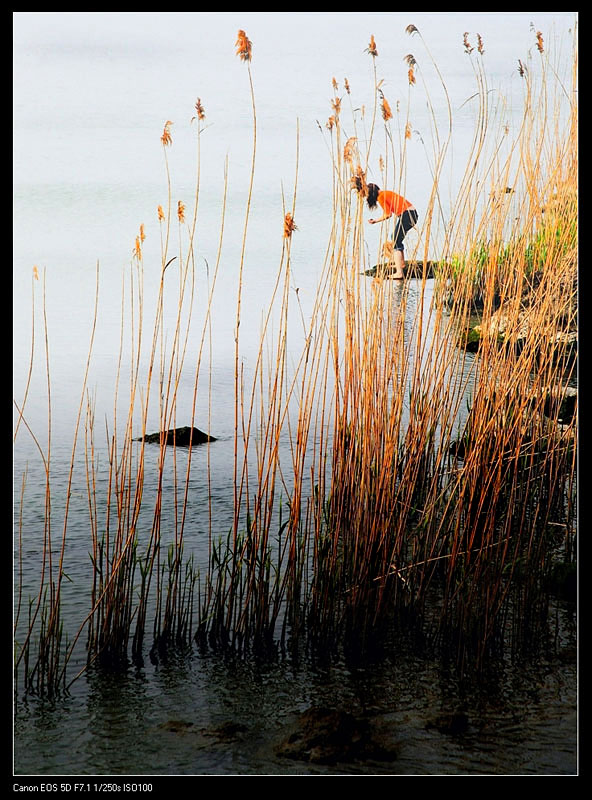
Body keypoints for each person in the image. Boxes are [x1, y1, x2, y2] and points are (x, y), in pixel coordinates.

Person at [367, 183, 418, 279]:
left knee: (395, 239)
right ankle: (401, 263)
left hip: (408, 214)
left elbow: (388, 214)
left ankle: (399, 273)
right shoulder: (385, 193)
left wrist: (375, 221)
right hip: (412, 214)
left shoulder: (381, 197)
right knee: (396, 238)